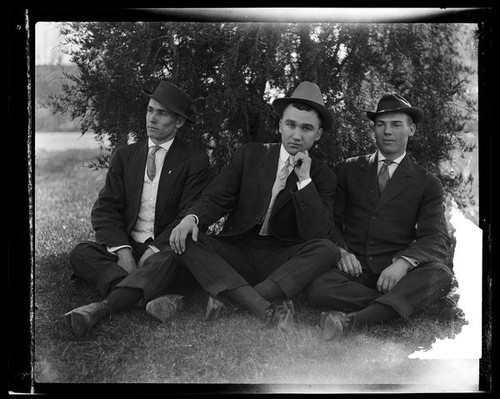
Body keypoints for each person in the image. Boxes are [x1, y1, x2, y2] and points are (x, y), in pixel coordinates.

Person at [169, 81, 340, 333]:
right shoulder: (250, 155)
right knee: (186, 238)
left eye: (306, 128)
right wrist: (192, 218)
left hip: (281, 259)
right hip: (238, 251)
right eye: (291, 125)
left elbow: (317, 234)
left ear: (318, 134)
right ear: (280, 124)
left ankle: (234, 302)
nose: (296, 135)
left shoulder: (322, 176)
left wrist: (305, 180)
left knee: (327, 250)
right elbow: (216, 197)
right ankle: (262, 306)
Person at [64, 81, 210, 337]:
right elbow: (105, 208)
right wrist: (123, 250)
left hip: (166, 248)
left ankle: (100, 308)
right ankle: (156, 296)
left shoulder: (194, 160)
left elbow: (187, 212)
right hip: (130, 244)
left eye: (161, 113)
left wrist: (155, 249)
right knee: (80, 253)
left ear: (179, 122)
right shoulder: (125, 155)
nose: (152, 118)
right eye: (150, 110)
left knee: (175, 261)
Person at [307, 93, 455, 340]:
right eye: (380, 125)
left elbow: (435, 238)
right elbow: (330, 221)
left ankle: (353, 321)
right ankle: (406, 305)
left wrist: (403, 263)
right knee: (316, 287)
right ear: (374, 129)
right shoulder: (348, 169)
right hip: (354, 269)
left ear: (411, 130)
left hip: (397, 273)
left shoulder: (427, 183)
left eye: (396, 125)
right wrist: (341, 252)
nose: (387, 131)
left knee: (441, 275)